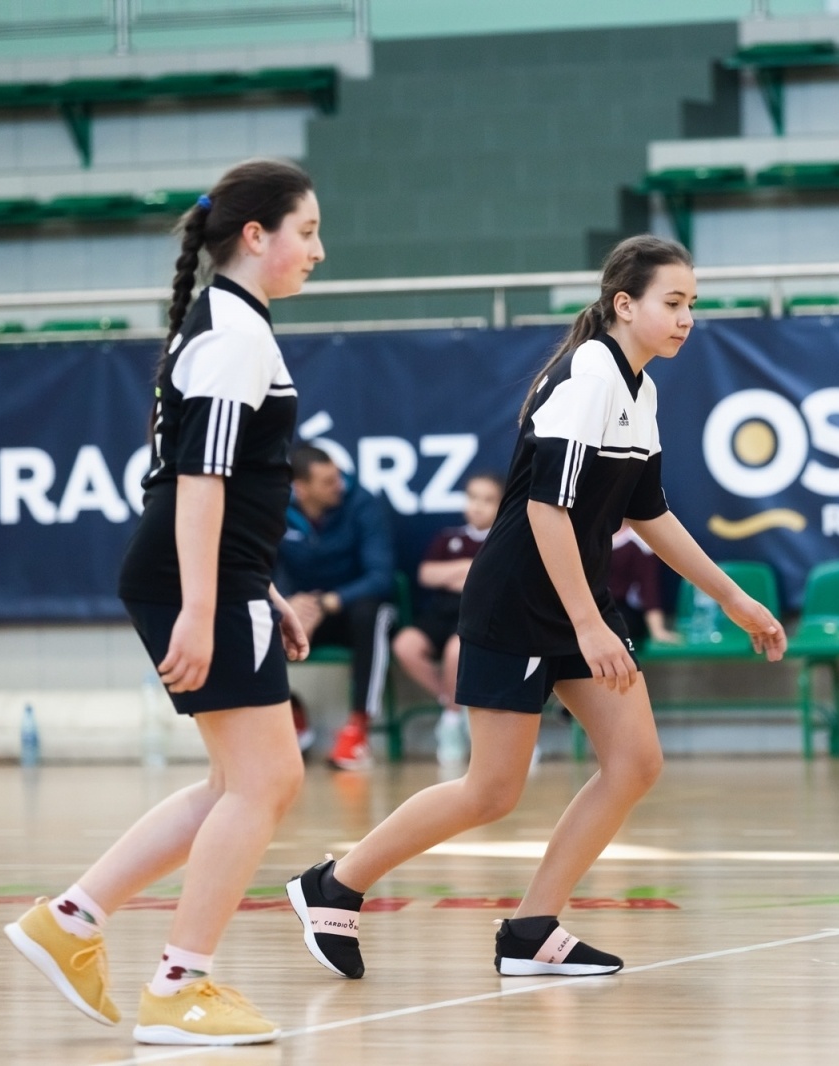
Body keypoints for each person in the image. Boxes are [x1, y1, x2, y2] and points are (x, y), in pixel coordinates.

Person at [285, 234, 785, 980]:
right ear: (625, 305)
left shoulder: (640, 390)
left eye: (692, 305)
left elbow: (651, 515)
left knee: (634, 762)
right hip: (521, 601)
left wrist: (736, 599)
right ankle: (335, 884)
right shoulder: (586, 375)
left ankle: (531, 929)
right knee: (490, 791)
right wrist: (588, 625)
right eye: (673, 303)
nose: (687, 319)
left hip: (576, 600)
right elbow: (549, 514)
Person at [5, 159, 321, 1046]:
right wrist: (203, 601)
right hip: (197, 574)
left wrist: (260, 587)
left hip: (214, 573)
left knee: (237, 781)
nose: (317, 251)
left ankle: (71, 921)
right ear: (256, 236)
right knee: (268, 779)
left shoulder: (225, 325)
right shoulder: (233, 334)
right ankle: (182, 985)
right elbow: (202, 479)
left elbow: (222, 484)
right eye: (307, 231)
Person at [277, 445, 396, 771]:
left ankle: (358, 727)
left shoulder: (362, 503)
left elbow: (381, 575)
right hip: (301, 611)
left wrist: (325, 602)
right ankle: (287, 710)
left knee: (371, 613)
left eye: (338, 477)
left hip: (349, 609)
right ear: (301, 488)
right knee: (256, 616)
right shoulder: (276, 509)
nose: (338, 485)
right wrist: (289, 604)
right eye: (328, 482)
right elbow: (262, 568)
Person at [391, 472, 504, 763]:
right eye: (473, 498)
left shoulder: (502, 541)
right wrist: (467, 567)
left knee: (457, 651)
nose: (478, 506)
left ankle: (451, 721)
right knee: (405, 645)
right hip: (440, 613)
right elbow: (427, 575)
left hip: (478, 615)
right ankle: (452, 702)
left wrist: (456, 575)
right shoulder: (448, 538)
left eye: (488, 500)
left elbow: (493, 581)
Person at [609, 521, 680, 647]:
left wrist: (657, 631)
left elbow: (649, 588)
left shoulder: (639, 542)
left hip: (622, 612)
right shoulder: (584, 536)